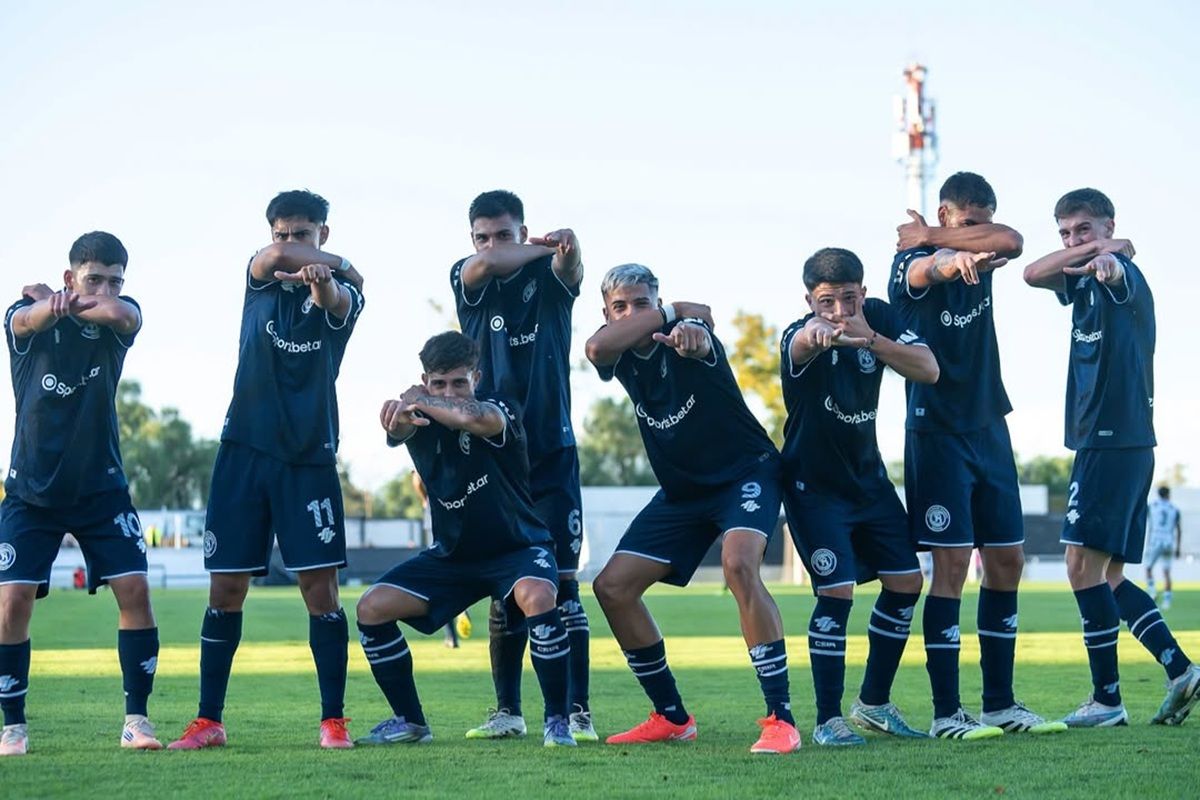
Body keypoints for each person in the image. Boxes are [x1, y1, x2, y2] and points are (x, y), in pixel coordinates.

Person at [169, 190, 365, 750]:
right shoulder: (258, 279)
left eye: (302, 234)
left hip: (308, 458)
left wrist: (328, 280)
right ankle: (209, 721)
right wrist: (332, 262)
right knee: (226, 589)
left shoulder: (343, 292)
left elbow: (338, 301)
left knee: (320, 591)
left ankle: (333, 720)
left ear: (322, 234)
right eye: (282, 234)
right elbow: (266, 260)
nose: (289, 244)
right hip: (243, 452)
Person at [586, 263, 800, 754]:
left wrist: (688, 326)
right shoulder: (614, 352)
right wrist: (668, 309)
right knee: (612, 588)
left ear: (656, 301)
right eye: (622, 307)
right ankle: (671, 716)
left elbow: (699, 334)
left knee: (738, 563)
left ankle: (780, 718)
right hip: (684, 492)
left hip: (745, 473)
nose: (634, 314)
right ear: (607, 314)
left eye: (643, 303)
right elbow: (597, 347)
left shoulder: (687, 333)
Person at [888, 172, 1063, 738]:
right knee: (953, 565)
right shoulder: (910, 265)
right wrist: (939, 253)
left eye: (982, 222)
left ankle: (1000, 705)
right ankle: (945, 714)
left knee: (1007, 560)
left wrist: (957, 240)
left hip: (989, 426)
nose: (980, 235)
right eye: (969, 224)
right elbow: (923, 270)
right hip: (937, 432)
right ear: (944, 214)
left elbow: (1011, 241)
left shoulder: (982, 246)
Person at [1023, 188, 1199, 727]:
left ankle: (1106, 700)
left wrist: (1113, 256)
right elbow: (1031, 272)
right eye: (1067, 233)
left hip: (1110, 438)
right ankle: (1180, 671)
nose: (1075, 241)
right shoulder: (1083, 275)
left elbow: (1118, 276)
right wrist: (1103, 248)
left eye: (1085, 229)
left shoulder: (1120, 277)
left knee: (1079, 565)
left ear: (1107, 225)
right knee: (1110, 575)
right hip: (1119, 443)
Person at [357, 331, 575, 748]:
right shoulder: (419, 417)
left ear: (476, 376)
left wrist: (419, 398)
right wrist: (398, 415)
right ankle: (410, 722)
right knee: (371, 608)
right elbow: (398, 427)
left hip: (518, 547)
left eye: (460, 382)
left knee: (538, 597)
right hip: (454, 558)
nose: (450, 392)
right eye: (438, 384)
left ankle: (557, 721)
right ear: (425, 379)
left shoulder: (499, 407)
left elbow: (474, 419)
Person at [0, 232, 160, 755]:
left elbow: (123, 317)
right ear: (72, 277)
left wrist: (68, 302)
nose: (109, 290)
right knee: (10, 604)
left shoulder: (117, 321)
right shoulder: (24, 321)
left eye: (116, 280)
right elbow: (24, 319)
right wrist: (48, 306)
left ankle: (136, 720)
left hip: (101, 487)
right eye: (95, 279)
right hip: (32, 491)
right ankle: (14, 725)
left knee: (134, 591)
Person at [779, 248, 938, 745]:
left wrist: (870, 338)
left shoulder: (880, 320)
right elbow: (801, 344)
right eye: (827, 302)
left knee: (907, 582)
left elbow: (928, 368)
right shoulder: (798, 332)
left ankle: (872, 702)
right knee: (837, 592)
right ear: (809, 300)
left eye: (849, 299)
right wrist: (818, 334)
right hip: (813, 487)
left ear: (863, 293)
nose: (839, 313)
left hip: (868, 483)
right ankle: (828, 719)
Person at [450, 190, 593, 741]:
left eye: (504, 234)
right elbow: (485, 266)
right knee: (503, 586)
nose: (490, 245)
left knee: (563, 586)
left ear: (522, 229)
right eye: (482, 236)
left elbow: (572, 263)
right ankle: (507, 710)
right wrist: (535, 248)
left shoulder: (551, 280)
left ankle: (578, 710)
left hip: (551, 452)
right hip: (494, 458)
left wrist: (566, 248)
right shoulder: (469, 277)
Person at [1145, 486, 1182, 610]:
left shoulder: (1152, 506)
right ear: (1168, 494)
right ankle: (1167, 601)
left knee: (1148, 568)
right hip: (1169, 542)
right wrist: (1178, 548)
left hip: (1156, 541)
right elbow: (1179, 529)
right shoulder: (1174, 509)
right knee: (1166, 572)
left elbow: (1150, 526)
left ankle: (1152, 591)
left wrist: (1149, 541)